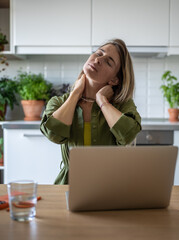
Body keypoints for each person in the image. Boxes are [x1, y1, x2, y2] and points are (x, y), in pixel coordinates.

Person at [40, 39, 142, 184]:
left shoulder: (122, 106)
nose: (98, 59)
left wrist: (102, 101)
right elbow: (53, 134)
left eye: (108, 61)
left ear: (114, 80)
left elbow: (128, 134)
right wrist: (75, 93)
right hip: (69, 186)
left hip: (108, 187)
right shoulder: (59, 102)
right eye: (99, 53)